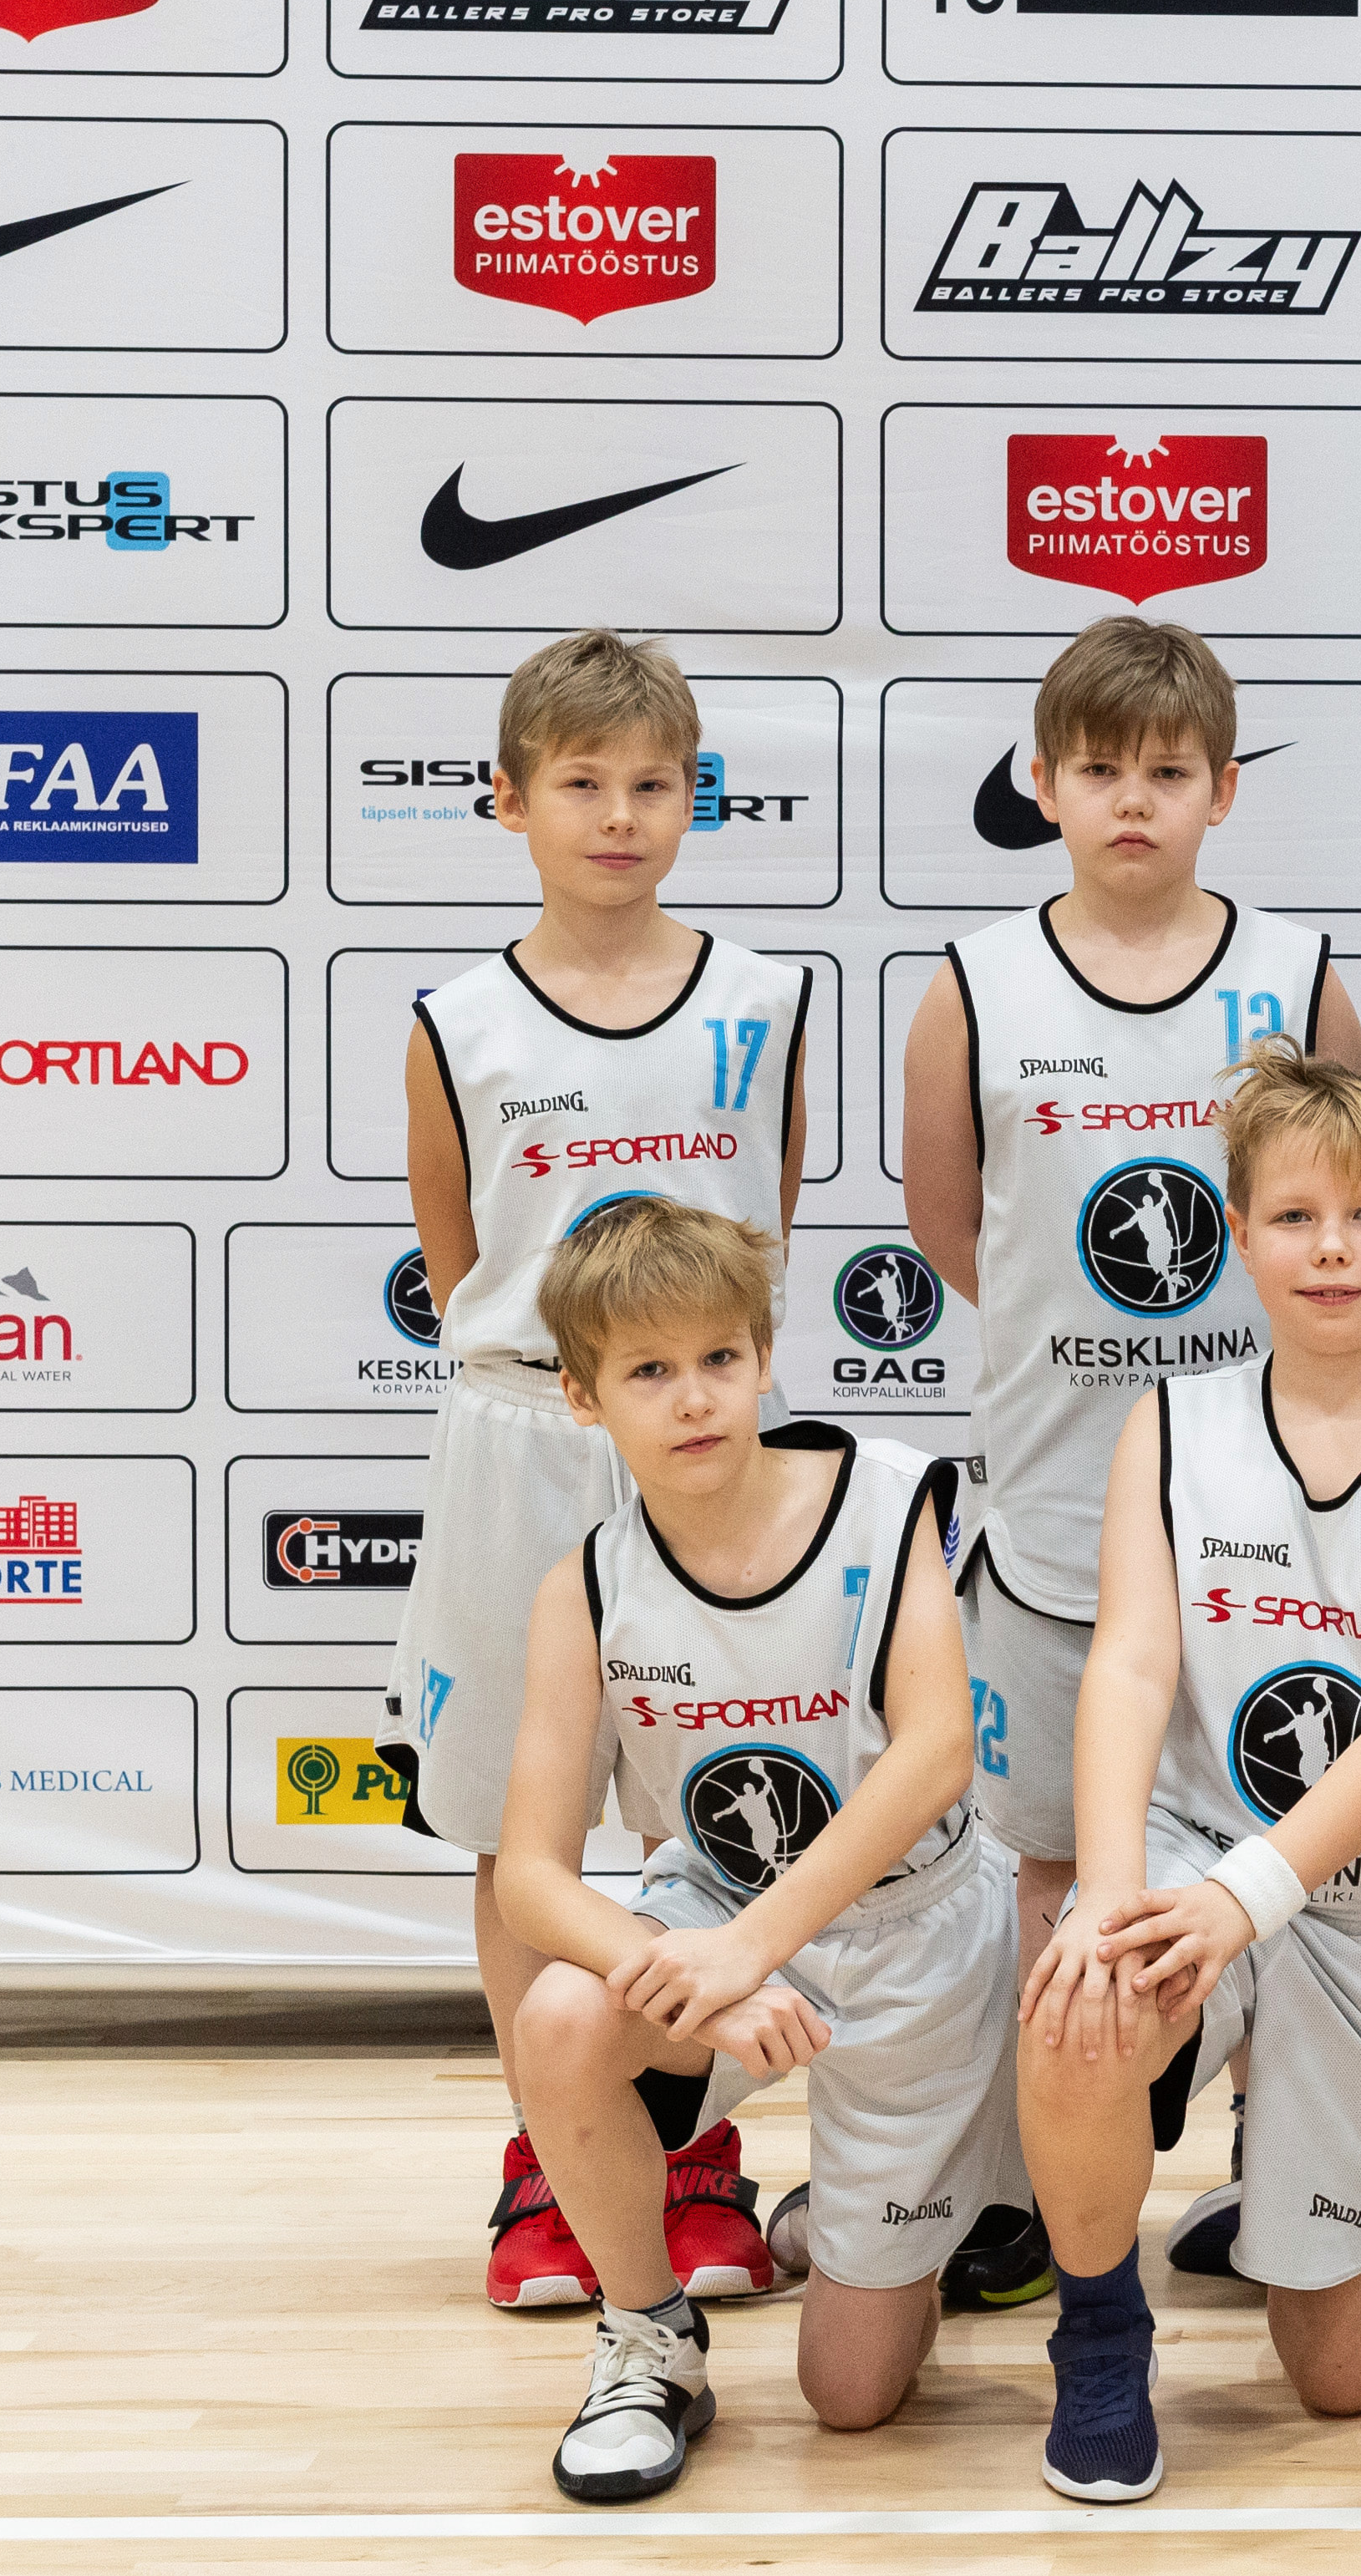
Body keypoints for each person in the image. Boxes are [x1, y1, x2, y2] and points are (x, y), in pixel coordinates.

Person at [899, 613, 1360, 2285]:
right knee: (1050, 1860)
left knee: (1275, 1856)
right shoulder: (974, 986)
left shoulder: (1294, 980)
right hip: (1051, 1502)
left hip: (1272, 1511)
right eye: (1099, 770)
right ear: (1042, 784)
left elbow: (1348, 1215)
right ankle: (1048, 2190)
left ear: (1224, 789)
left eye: (1169, 771)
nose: (1134, 801)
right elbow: (955, 1229)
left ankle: (1283, 2171)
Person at [1013, 1051, 1361, 2503]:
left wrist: (1248, 1895)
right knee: (1079, 1996)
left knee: (1343, 2380)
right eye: (1295, 1216)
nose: (1331, 1249)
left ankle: (1277, 2169)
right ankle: (1100, 2334)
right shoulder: (1171, 1421)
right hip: (1199, 1848)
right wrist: (1109, 1890)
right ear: (1238, 1234)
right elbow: (1130, 1664)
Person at [383, 628, 809, 2311]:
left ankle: (690, 2150)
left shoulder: (762, 999)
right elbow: (460, 1253)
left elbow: (761, 1232)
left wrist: (670, 1383)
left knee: (719, 1801)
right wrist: (567, 1385)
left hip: (703, 1438)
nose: (620, 817)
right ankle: (553, 2160)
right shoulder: (458, 1020)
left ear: (694, 799)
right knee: (525, 1822)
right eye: (581, 784)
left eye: (653, 784)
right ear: (510, 801)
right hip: (527, 1438)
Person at [490, 1201, 1018, 2503]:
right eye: (648, 1370)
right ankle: (649, 2334)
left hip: (915, 1929)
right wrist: (693, 1967)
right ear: (581, 1395)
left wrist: (743, 1953)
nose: (693, 1398)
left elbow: (935, 1754)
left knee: (851, 2397)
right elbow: (532, 1877)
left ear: (765, 1355)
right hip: (719, 1909)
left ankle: (915, 2208)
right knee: (562, 2015)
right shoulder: (586, 1585)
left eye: (719, 1357)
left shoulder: (886, 1497)